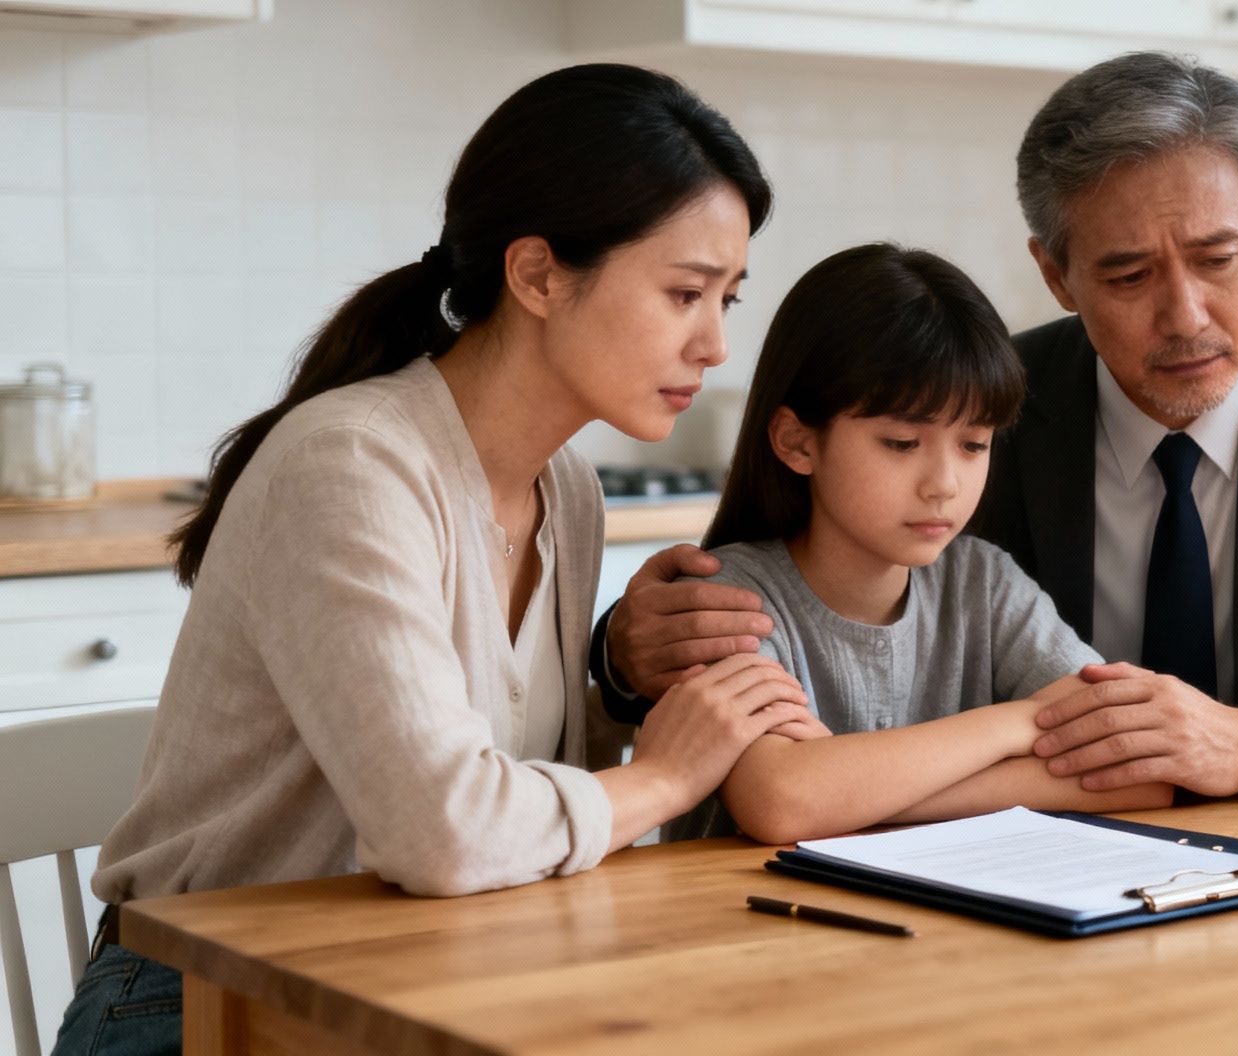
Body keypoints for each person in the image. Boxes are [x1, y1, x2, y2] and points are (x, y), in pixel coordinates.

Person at [54, 64, 810, 1056]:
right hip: (202, 1005)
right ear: (537, 273)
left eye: (728, 300)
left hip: (427, 973)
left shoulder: (563, 488)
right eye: (683, 294)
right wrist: (667, 777)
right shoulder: (352, 464)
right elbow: (447, 832)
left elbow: (523, 809)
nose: (713, 343)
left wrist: (614, 678)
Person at [593, 51, 1238, 803]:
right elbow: (790, 632)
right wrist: (622, 654)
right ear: (1055, 274)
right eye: (1127, 275)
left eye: (1216, 256)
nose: (1184, 313)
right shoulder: (974, 412)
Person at [672, 243, 1172, 843]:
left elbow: (1141, 771)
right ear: (798, 443)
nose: (945, 486)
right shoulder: (725, 601)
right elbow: (784, 799)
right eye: (902, 444)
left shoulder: (983, 583)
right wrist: (1013, 726)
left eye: (973, 445)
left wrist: (857, 799)